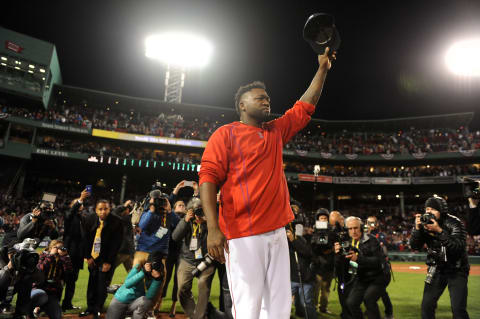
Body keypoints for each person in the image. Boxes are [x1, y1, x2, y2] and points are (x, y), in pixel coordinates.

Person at [199, 47, 335, 318]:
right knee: (248, 308)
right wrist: (213, 227)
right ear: (242, 104)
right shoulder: (225, 134)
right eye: (259, 97)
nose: (266, 101)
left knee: (278, 309)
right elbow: (208, 179)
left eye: (268, 97)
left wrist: (322, 69)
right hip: (243, 233)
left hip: (277, 232)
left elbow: (304, 107)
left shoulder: (274, 132)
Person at [410, 196, 470, 319]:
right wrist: (417, 229)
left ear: (441, 210)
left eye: (433, 209)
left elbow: (458, 247)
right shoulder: (423, 223)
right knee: (426, 306)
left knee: (458, 309)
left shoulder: (454, 223)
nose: (429, 212)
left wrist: (439, 231)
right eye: (427, 208)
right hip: (437, 268)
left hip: (457, 269)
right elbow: (415, 246)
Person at [80, 199, 124, 319]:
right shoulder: (89, 219)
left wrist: (108, 262)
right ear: (96, 210)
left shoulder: (117, 222)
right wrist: (88, 257)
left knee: (101, 284)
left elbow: (116, 244)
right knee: (92, 282)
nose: (103, 212)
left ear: (110, 209)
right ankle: (90, 307)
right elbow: (85, 239)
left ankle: (98, 309)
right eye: (100, 209)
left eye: (106, 209)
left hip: (106, 258)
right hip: (92, 257)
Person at [335, 216, 387, 319]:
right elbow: (341, 265)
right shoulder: (347, 243)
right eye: (350, 229)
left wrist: (358, 259)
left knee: (369, 300)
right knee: (351, 303)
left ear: (361, 228)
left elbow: (378, 262)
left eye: (356, 228)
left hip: (378, 276)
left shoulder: (372, 240)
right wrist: (337, 254)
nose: (353, 231)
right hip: (362, 277)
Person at [172, 197, 215, 319]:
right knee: (182, 289)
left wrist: (207, 222)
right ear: (190, 211)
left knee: (203, 285)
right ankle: (193, 315)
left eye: (201, 210)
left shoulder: (209, 221)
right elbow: (175, 237)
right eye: (196, 211)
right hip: (187, 259)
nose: (198, 214)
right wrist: (185, 221)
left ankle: (200, 316)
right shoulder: (186, 221)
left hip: (206, 260)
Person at [106, 252, 164, 319]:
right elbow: (128, 284)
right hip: (121, 300)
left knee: (147, 302)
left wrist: (157, 279)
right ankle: (119, 288)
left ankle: (118, 288)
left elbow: (149, 297)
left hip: (135, 303)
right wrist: (143, 272)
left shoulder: (158, 275)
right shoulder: (138, 267)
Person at [62, 189, 89, 311]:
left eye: (82, 204)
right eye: (78, 204)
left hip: (78, 255)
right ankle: (52, 302)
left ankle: (67, 303)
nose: (81, 205)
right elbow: (71, 212)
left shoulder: (82, 218)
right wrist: (80, 199)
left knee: (72, 281)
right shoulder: (69, 216)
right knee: (61, 280)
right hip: (68, 254)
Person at [32, 240, 72, 319]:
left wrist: (65, 257)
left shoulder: (62, 259)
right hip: (39, 288)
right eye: (57, 248)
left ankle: (42, 308)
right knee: (41, 296)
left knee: (57, 316)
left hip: (53, 291)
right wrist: (51, 255)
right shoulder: (43, 255)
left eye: (61, 247)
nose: (59, 250)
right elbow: (40, 269)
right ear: (51, 248)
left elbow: (69, 272)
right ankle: (35, 308)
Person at [366, 216, 394, 319]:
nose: (371, 225)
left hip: (380, 269)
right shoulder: (365, 235)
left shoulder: (380, 235)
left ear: (377, 224)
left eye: (373, 223)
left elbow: (384, 251)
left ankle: (389, 312)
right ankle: (370, 310)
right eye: (369, 223)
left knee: (382, 292)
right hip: (369, 267)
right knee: (369, 291)